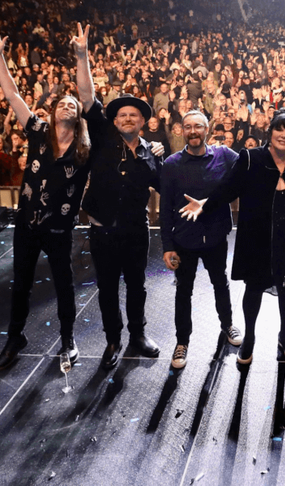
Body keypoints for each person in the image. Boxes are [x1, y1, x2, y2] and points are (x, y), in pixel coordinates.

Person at [0, 23, 96, 374]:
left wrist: (81, 55)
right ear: (53, 111)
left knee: (64, 285)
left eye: (72, 104)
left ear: (78, 115)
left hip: (60, 229)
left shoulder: (85, 149)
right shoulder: (37, 133)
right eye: (62, 103)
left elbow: (88, 96)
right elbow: (13, 94)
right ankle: (15, 337)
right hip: (27, 225)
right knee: (22, 283)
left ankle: (67, 340)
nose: (67, 106)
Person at [180, 108, 285, 366]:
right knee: (254, 288)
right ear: (269, 132)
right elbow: (228, 189)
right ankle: (249, 337)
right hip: (257, 237)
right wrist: (206, 204)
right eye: (279, 129)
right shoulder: (250, 158)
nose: (284, 135)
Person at [82, 92, 165, 369]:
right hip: (103, 231)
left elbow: (166, 186)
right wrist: (82, 54)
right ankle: (113, 339)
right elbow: (87, 98)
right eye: (122, 115)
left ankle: (138, 334)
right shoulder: (102, 141)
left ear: (143, 121)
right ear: (114, 121)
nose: (128, 118)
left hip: (136, 231)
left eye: (134, 115)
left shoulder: (150, 153)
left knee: (136, 286)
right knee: (107, 288)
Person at [159, 110, 242, 369]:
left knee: (221, 283)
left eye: (198, 126)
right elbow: (165, 210)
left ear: (207, 129)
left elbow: (247, 172)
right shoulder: (171, 164)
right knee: (184, 291)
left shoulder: (225, 156)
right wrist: (167, 247)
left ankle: (227, 325)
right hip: (184, 239)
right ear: (182, 131)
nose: (193, 131)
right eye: (188, 127)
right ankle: (182, 341)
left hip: (216, 236)